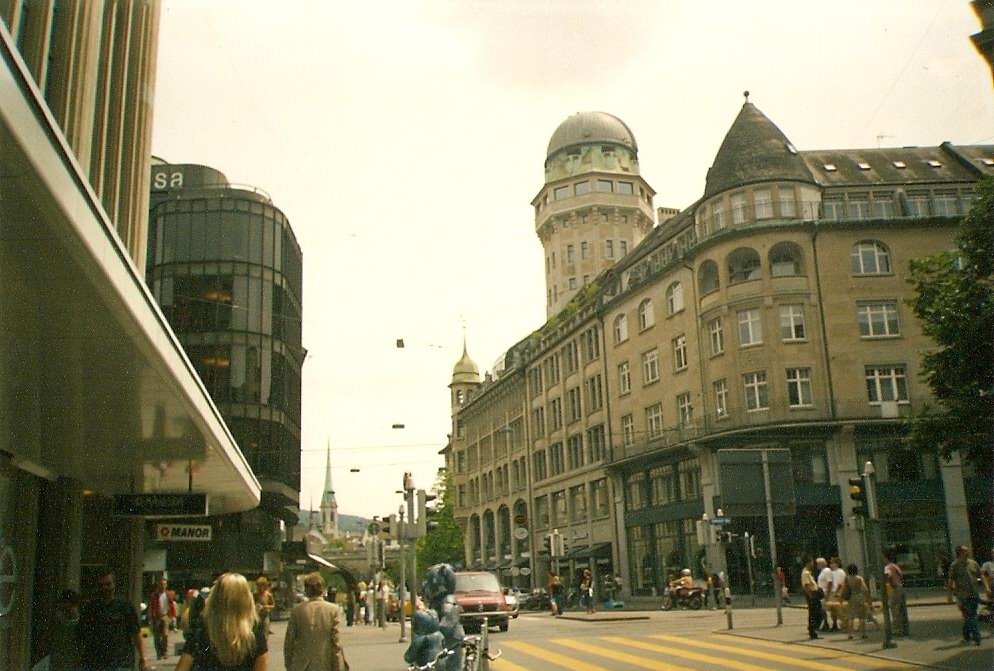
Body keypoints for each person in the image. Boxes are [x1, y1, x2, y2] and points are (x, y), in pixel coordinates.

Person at [175, 573, 267, 671]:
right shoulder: (254, 632)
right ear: (247, 599)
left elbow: (182, 667)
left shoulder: (202, 630)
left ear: (215, 597)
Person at [76, 570, 148, 671]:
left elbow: (136, 633)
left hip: (121, 664)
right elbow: (81, 636)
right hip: (95, 664)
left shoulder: (124, 606)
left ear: (114, 585)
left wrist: (143, 658)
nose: (105, 588)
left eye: (108, 584)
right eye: (101, 585)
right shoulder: (90, 608)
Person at [284, 572, 349, 671]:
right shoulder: (333, 610)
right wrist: (338, 666)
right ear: (322, 589)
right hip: (324, 664)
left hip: (300, 665)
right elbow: (336, 642)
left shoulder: (297, 610)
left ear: (306, 590)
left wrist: (289, 664)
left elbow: (289, 641)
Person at [946, 545, 982, 646]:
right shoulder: (955, 565)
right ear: (960, 552)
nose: (968, 552)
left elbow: (981, 574)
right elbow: (950, 579)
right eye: (965, 551)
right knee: (971, 615)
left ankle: (966, 634)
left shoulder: (973, 563)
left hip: (974, 593)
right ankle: (977, 636)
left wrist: (986, 587)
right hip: (962, 595)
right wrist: (949, 595)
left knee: (970, 615)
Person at [50, 589, 80, 671]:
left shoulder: (80, 624)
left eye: (67, 609)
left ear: (75, 605)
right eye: (62, 610)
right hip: (57, 663)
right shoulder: (57, 622)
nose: (65, 613)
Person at [149, 577, 176, 659]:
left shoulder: (169, 594)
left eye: (164, 584)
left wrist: (172, 616)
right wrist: (151, 617)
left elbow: (172, 605)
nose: (163, 586)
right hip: (156, 617)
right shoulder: (154, 595)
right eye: (161, 584)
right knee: (157, 636)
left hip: (165, 616)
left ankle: (164, 652)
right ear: (158, 585)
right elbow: (151, 607)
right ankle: (159, 653)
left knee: (165, 635)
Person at [883, 551, 909, 637]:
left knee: (895, 610)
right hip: (900, 587)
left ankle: (897, 630)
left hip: (894, 589)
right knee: (902, 609)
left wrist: (890, 585)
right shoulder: (895, 566)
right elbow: (901, 576)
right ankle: (905, 629)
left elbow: (888, 576)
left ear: (886, 558)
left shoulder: (887, 567)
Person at [841, 564, 869, 640]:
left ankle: (850, 634)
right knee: (862, 617)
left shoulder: (847, 579)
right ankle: (863, 633)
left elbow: (843, 589)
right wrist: (868, 598)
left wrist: (842, 598)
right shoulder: (859, 578)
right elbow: (865, 589)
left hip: (851, 598)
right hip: (859, 597)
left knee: (851, 616)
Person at [801, 558, 823, 640]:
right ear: (807, 563)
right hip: (811, 594)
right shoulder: (805, 573)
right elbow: (806, 585)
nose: (812, 564)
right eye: (811, 563)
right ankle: (812, 630)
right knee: (814, 613)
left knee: (816, 613)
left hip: (813, 593)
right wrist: (810, 595)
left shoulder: (808, 572)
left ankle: (813, 629)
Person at [826, 558, 847, 632]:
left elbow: (841, 583)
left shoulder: (841, 572)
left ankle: (845, 625)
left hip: (838, 593)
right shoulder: (831, 572)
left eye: (833, 563)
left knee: (840, 610)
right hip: (832, 592)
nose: (831, 565)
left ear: (837, 564)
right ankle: (834, 624)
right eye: (830, 563)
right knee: (832, 611)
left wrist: (837, 593)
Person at [254, 576, 275, 642]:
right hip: (257, 616)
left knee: (265, 634)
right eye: (258, 586)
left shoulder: (269, 595)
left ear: (265, 586)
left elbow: (273, 605)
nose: (259, 588)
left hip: (265, 616)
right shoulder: (255, 595)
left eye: (261, 586)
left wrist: (266, 607)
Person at [815, 558, 833, 632]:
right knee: (823, 609)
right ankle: (825, 623)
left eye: (817, 564)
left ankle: (826, 624)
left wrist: (827, 594)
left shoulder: (827, 571)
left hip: (825, 592)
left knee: (824, 609)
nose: (816, 566)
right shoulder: (822, 571)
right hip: (821, 592)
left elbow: (829, 582)